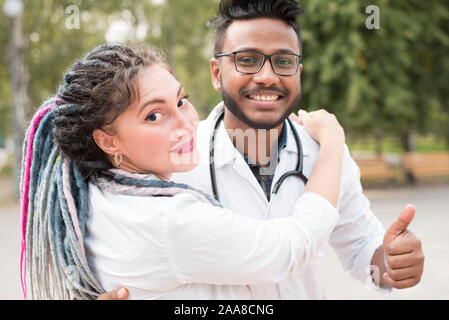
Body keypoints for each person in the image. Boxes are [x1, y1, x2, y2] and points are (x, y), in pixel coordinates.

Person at [99, 0, 424, 300]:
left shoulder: (325, 155)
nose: (267, 77)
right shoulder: (171, 160)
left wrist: (391, 263)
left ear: (298, 71)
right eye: (247, 60)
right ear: (216, 73)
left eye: (283, 61)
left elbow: (363, 251)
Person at [21, 42, 347, 299]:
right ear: (108, 141)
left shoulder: (92, 195)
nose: (186, 124)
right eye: (154, 116)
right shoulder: (170, 220)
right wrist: (332, 143)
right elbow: (292, 248)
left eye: (180, 101)